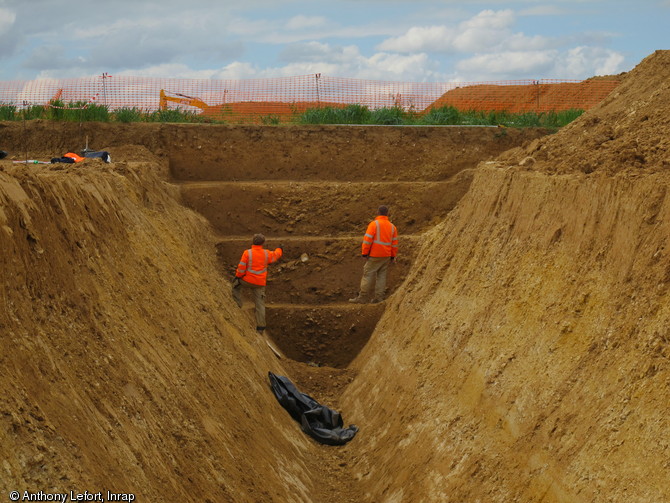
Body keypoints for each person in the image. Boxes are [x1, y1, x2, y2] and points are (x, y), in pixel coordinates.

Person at [232, 234, 283, 334]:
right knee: (260, 305)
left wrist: (238, 276)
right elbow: (276, 255)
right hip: (260, 284)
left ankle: (237, 304)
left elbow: (241, 267)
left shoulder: (247, 253)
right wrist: (280, 249)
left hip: (247, 281)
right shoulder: (266, 254)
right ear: (263, 243)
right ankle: (261, 327)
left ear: (253, 242)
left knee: (235, 286)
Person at [349, 205, 398, 304]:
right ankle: (379, 298)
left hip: (375, 255)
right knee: (381, 276)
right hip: (386, 255)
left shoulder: (374, 224)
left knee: (368, 274)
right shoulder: (392, 227)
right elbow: (394, 244)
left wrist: (364, 253)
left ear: (378, 213)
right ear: (387, 214)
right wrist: (393, 256)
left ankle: (362, 297)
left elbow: (367, 240)